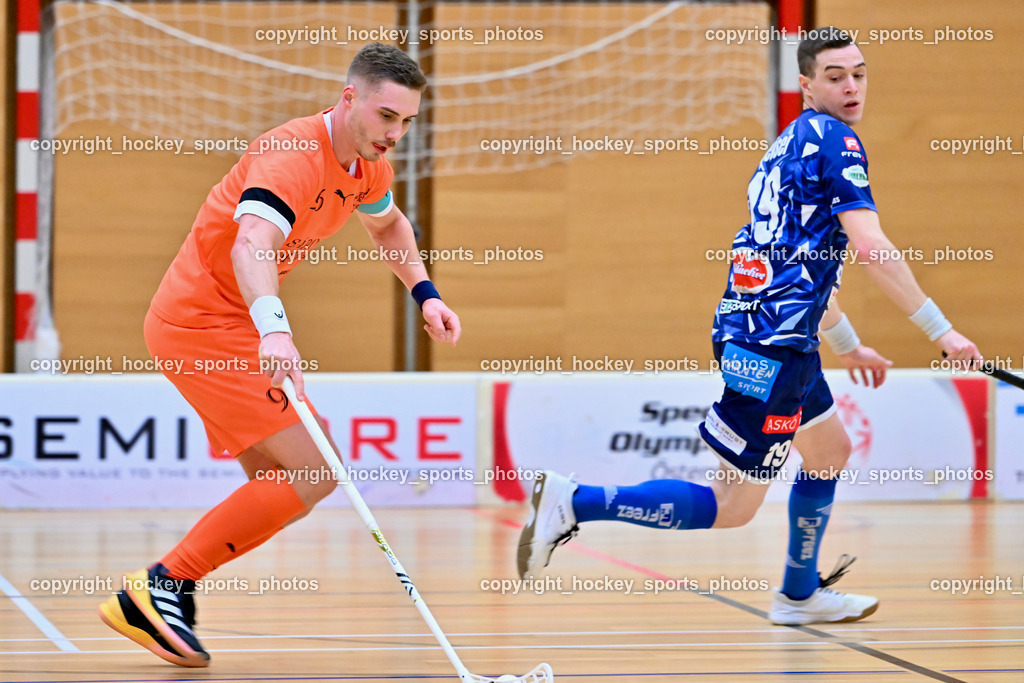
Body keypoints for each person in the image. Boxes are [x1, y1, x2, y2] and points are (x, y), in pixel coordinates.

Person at [516, 27, 981, 626]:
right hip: (772, 351)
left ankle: (799, 594)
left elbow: (801, 276)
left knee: (829, 451)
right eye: (835, 77)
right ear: (806, 84)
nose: (851, 86)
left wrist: (848, 346)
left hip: (770, 338)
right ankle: (576, 502)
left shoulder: (786, 146)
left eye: (859, 74)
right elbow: (871, 248)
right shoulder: (838, 142)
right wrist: (942, 332)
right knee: (733, 505)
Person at [98, 43, 461, 667]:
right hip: (202, 324)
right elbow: (250, 245)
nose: (394, 134)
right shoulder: (291, 156)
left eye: (406, 121)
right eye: (385, 116)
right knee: (316, 469)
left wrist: (425, 294)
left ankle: (168, 588)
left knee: (281, 483)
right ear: (348, 99)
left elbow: (389, 226)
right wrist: (274, 330)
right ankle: (161, 584)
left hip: (227, 323)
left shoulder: (368, 168)